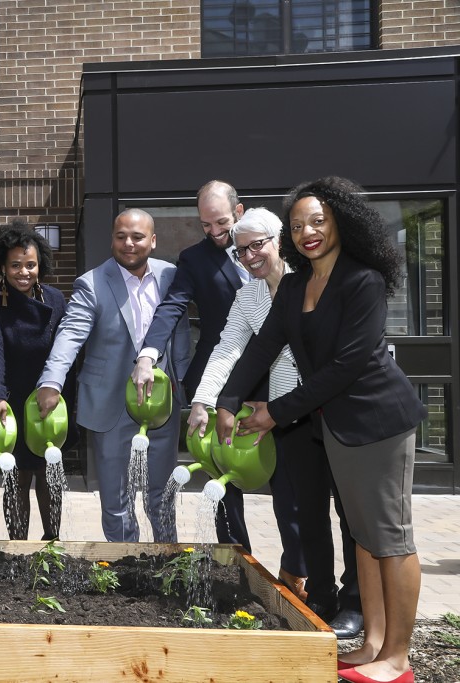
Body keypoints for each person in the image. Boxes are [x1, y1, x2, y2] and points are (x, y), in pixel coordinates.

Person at [216, 177, 426, 683]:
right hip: (335, 424)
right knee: (364, 537)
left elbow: (345, 367)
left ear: (341, 223)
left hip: (378, 421)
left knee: (390, 537)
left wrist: (274, 412)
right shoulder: (294, 286)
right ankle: (373, 643)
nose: (307, 232)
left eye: (318, 221)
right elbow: (263, 347)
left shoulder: (363, 281)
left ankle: (397, 658)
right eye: (297, 226)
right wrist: (227, 401)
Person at [188, 207, 361, 630]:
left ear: (278, 241)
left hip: (334, 407)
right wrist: (206, 400)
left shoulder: (313, 280)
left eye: (257, 245)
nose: (249, 257)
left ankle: (355, 601)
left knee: (350, 511)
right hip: (287, 413)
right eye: (241, 251)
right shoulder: (249, 296)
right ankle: (320, 595)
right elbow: (230, 348)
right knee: (304, 509)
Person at [130, 181, 273, 564]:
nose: (214, 232)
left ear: (239, 211)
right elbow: (172, 306)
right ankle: (236, 561)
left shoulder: (270, 250)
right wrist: (148, 355)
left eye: (221, 223)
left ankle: (297, 571)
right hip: (219, 381)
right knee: (224, 482)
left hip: (276, 379)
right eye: (205, 224)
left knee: (289, 480)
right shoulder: (194, 259)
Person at [37, 209, 189, 542]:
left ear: (153, 240)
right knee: (117, 500)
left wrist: (183, 383)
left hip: (162, 404)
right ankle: (125, 564)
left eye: (137, 237)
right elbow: (70, 334)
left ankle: (168, 561)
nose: (128, 243)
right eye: (121, 237)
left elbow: (181, 333)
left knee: (162, 495)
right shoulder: (92, 283)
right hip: (110, 405)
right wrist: (51, 381)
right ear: (112, 240)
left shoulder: (171, 276)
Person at [0, 219, 67, 541]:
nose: (23, 272)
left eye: (30, 265)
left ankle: (52, 542)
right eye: (15, 265)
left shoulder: (55, 300)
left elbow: (66, 350)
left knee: (49, 473)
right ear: (2, 266)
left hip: (47, 398)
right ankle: (18, 548)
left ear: (40, 265)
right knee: (17, 476)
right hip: (10, 399)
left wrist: (58, 390)